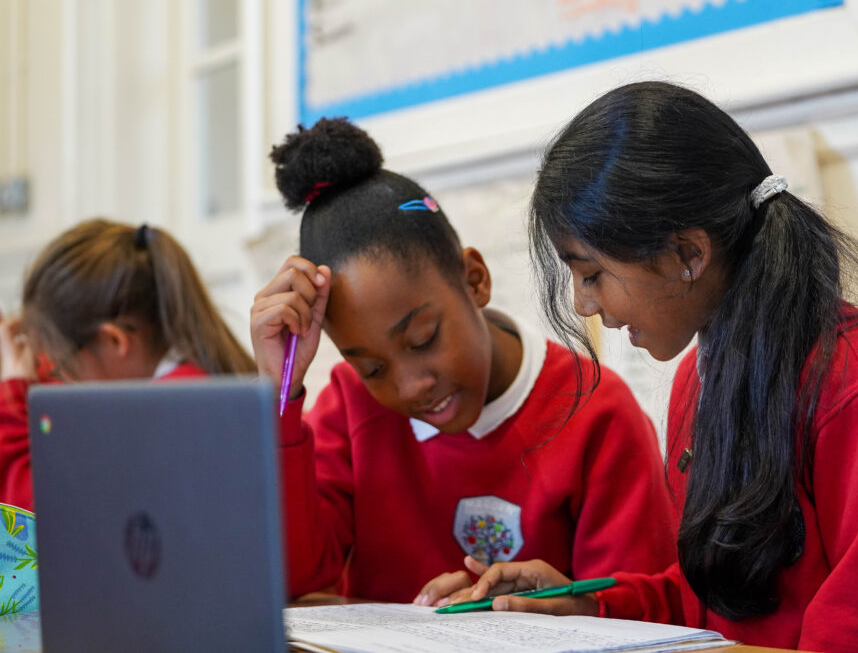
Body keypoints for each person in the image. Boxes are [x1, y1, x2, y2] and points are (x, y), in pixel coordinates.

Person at [428, 82, 858, 652]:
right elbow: (716, 600)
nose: (585, 305)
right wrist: (591, 604)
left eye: (591, 275)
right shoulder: (699, 379)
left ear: (688, 254)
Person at [250, 117, 677, 604]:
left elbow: (639, 616)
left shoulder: (595, 416)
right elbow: (291, 580)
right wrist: (279, 390)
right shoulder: (347, 407)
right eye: (372, 368)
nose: (410, 386)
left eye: (423, 338)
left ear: (474, 279)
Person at [0, 219, 256, 510]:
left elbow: (44, 526)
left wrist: (10, 398)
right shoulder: (190, 383)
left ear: (115, 342)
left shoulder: (164, 415)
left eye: (64, 369)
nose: (66, 382)